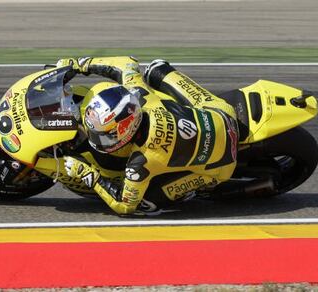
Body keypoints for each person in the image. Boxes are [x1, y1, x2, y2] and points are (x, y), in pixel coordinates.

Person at [58, 56, 239, 215]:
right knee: (156, 68)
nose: (97, 139)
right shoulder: (142, 95)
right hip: (222, 113)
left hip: (221, 166)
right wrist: (80, 65)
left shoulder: (140, 162)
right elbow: (127, 64)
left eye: (105, 135)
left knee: (146, 203)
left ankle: (200, 190)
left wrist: (88, 174)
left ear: (126, 129)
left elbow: (125, 205)